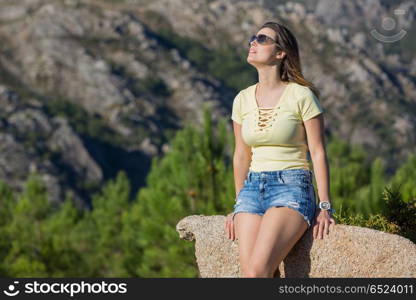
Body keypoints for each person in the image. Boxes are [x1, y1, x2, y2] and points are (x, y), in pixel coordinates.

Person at [224, 21, 336, 278]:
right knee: (249, 274)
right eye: (253, 38)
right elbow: (241, 154)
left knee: (256, 273)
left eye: (262, 39)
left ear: (280, 52)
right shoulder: (242, 99)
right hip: (251, 190)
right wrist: (239, 201)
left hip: (291, 187)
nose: (253, 42)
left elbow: (318, 152)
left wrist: (325, 205)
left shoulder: (301, 96)